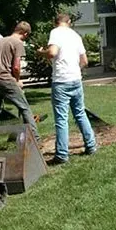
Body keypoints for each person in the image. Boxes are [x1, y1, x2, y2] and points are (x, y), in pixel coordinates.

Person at [37, 13, 97, 165]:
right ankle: (91, 146)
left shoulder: (55, 32)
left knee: (61, 119)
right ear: (69, 22)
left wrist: (40, 53)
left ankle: (62, 155)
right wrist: (75, 70)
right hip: (76, 80)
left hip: (61, 81)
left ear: (55, 22)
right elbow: (84, 61)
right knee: (80, 113)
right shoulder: (75, 35)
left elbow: (52, 53)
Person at [0, 21, 39, 150]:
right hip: (6, 79)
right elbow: (16, 66)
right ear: (24, 33)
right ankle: (36, 141)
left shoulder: (1, 41)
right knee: (24, 108)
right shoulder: (17, 43)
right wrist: (17, 80)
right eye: (26, 36)